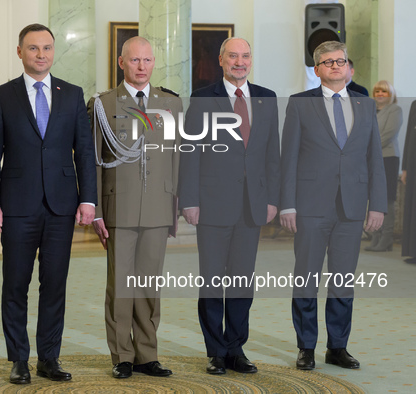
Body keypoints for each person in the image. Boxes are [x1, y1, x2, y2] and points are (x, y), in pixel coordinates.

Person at [0, 24, 96, 384]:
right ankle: (18, 359)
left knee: (54, 285)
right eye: (33, 48)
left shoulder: (73, 94)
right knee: (15, 285)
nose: (41, 54)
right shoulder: (2, 96)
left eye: (47, 48)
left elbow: (85, 152)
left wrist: (88, 198)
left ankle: (49, 358)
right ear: (20, 52)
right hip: (16, 206)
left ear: (53, 51)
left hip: (62, 206)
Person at [280, 41, 386, 371]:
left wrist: (378, 205)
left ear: (349, 67)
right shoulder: (300, 105)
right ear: (317, 70)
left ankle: (337, 346)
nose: (335, 66)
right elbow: (289, 159)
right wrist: (287, 206)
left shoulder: (366, 105)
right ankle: (307, 347)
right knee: (306, 278)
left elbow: (375, 159)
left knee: (343, 279)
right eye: (328, 62)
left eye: (340, 61)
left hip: (351, 208)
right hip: (311, 206)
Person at [178, 37, 281, 375]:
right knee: (211, 280)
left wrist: (272, 199)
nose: (240, 62)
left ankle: (236, 348)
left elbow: (271, 155)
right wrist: (189, 200)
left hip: (252, 206)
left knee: (241, 281)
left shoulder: (266, 98)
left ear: (251, 60)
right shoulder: (203, 98)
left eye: (245, 56)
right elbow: (190, 152)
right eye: (233, 56)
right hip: (212, 205)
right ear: (221, 60)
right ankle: (216, 352)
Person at [88, 36, 181, 379]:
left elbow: (176, 158)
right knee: (121, 285)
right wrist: (96, 209)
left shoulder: (170, 103)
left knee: (149, 284)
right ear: (121, 62)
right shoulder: (102, 103)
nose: (142, 67)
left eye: (147, 60)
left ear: (154, 63)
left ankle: (147, 353)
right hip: (119, 208)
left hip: (157, 207)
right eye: (135, 60)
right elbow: (94, 161)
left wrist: (175, 206)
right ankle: (122, 355)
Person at [365, 81, 403, 252]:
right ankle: (376, 236)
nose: (380, 94)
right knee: (373, 197)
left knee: (386, 199)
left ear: (391, 94)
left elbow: (389, 133)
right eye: (377, 90)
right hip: (370, 159)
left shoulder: (395, 110)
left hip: (387, 158)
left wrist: (368, 147)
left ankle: (387, 238)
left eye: (384, 91)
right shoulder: (370, 110)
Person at [401, 101, 416, 264]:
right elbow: (408, 138)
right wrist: (405, 167)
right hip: (413, 164)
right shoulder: (414, 104)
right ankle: (414, 250)